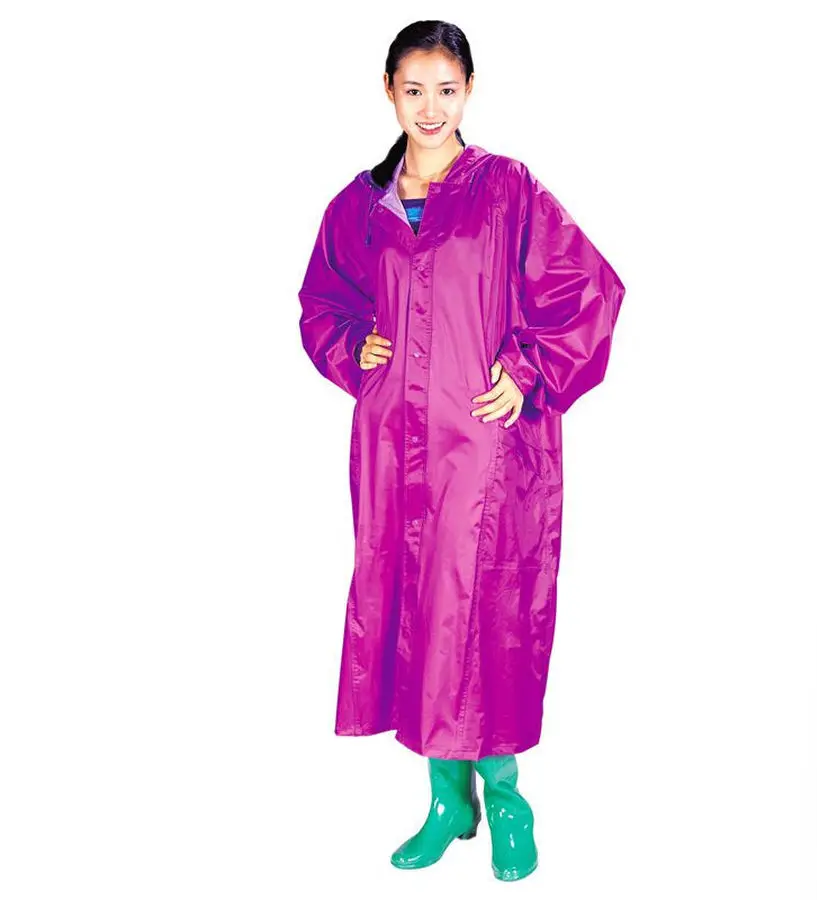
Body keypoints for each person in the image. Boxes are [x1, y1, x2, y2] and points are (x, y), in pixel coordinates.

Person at [297, 20, 626, 882]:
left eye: (446, 89)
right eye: (414, 90)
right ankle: (448, 801)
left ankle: (507, 801)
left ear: (469, 91)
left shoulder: (506, 190)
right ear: (389, 92)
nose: (430, 107)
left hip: (483, 449)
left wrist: (528, 371)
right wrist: (353, 346)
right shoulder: (361, 205)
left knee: (483, 618)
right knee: (417, 612)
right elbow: (323, 303)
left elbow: (588, 291)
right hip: (394, 450)